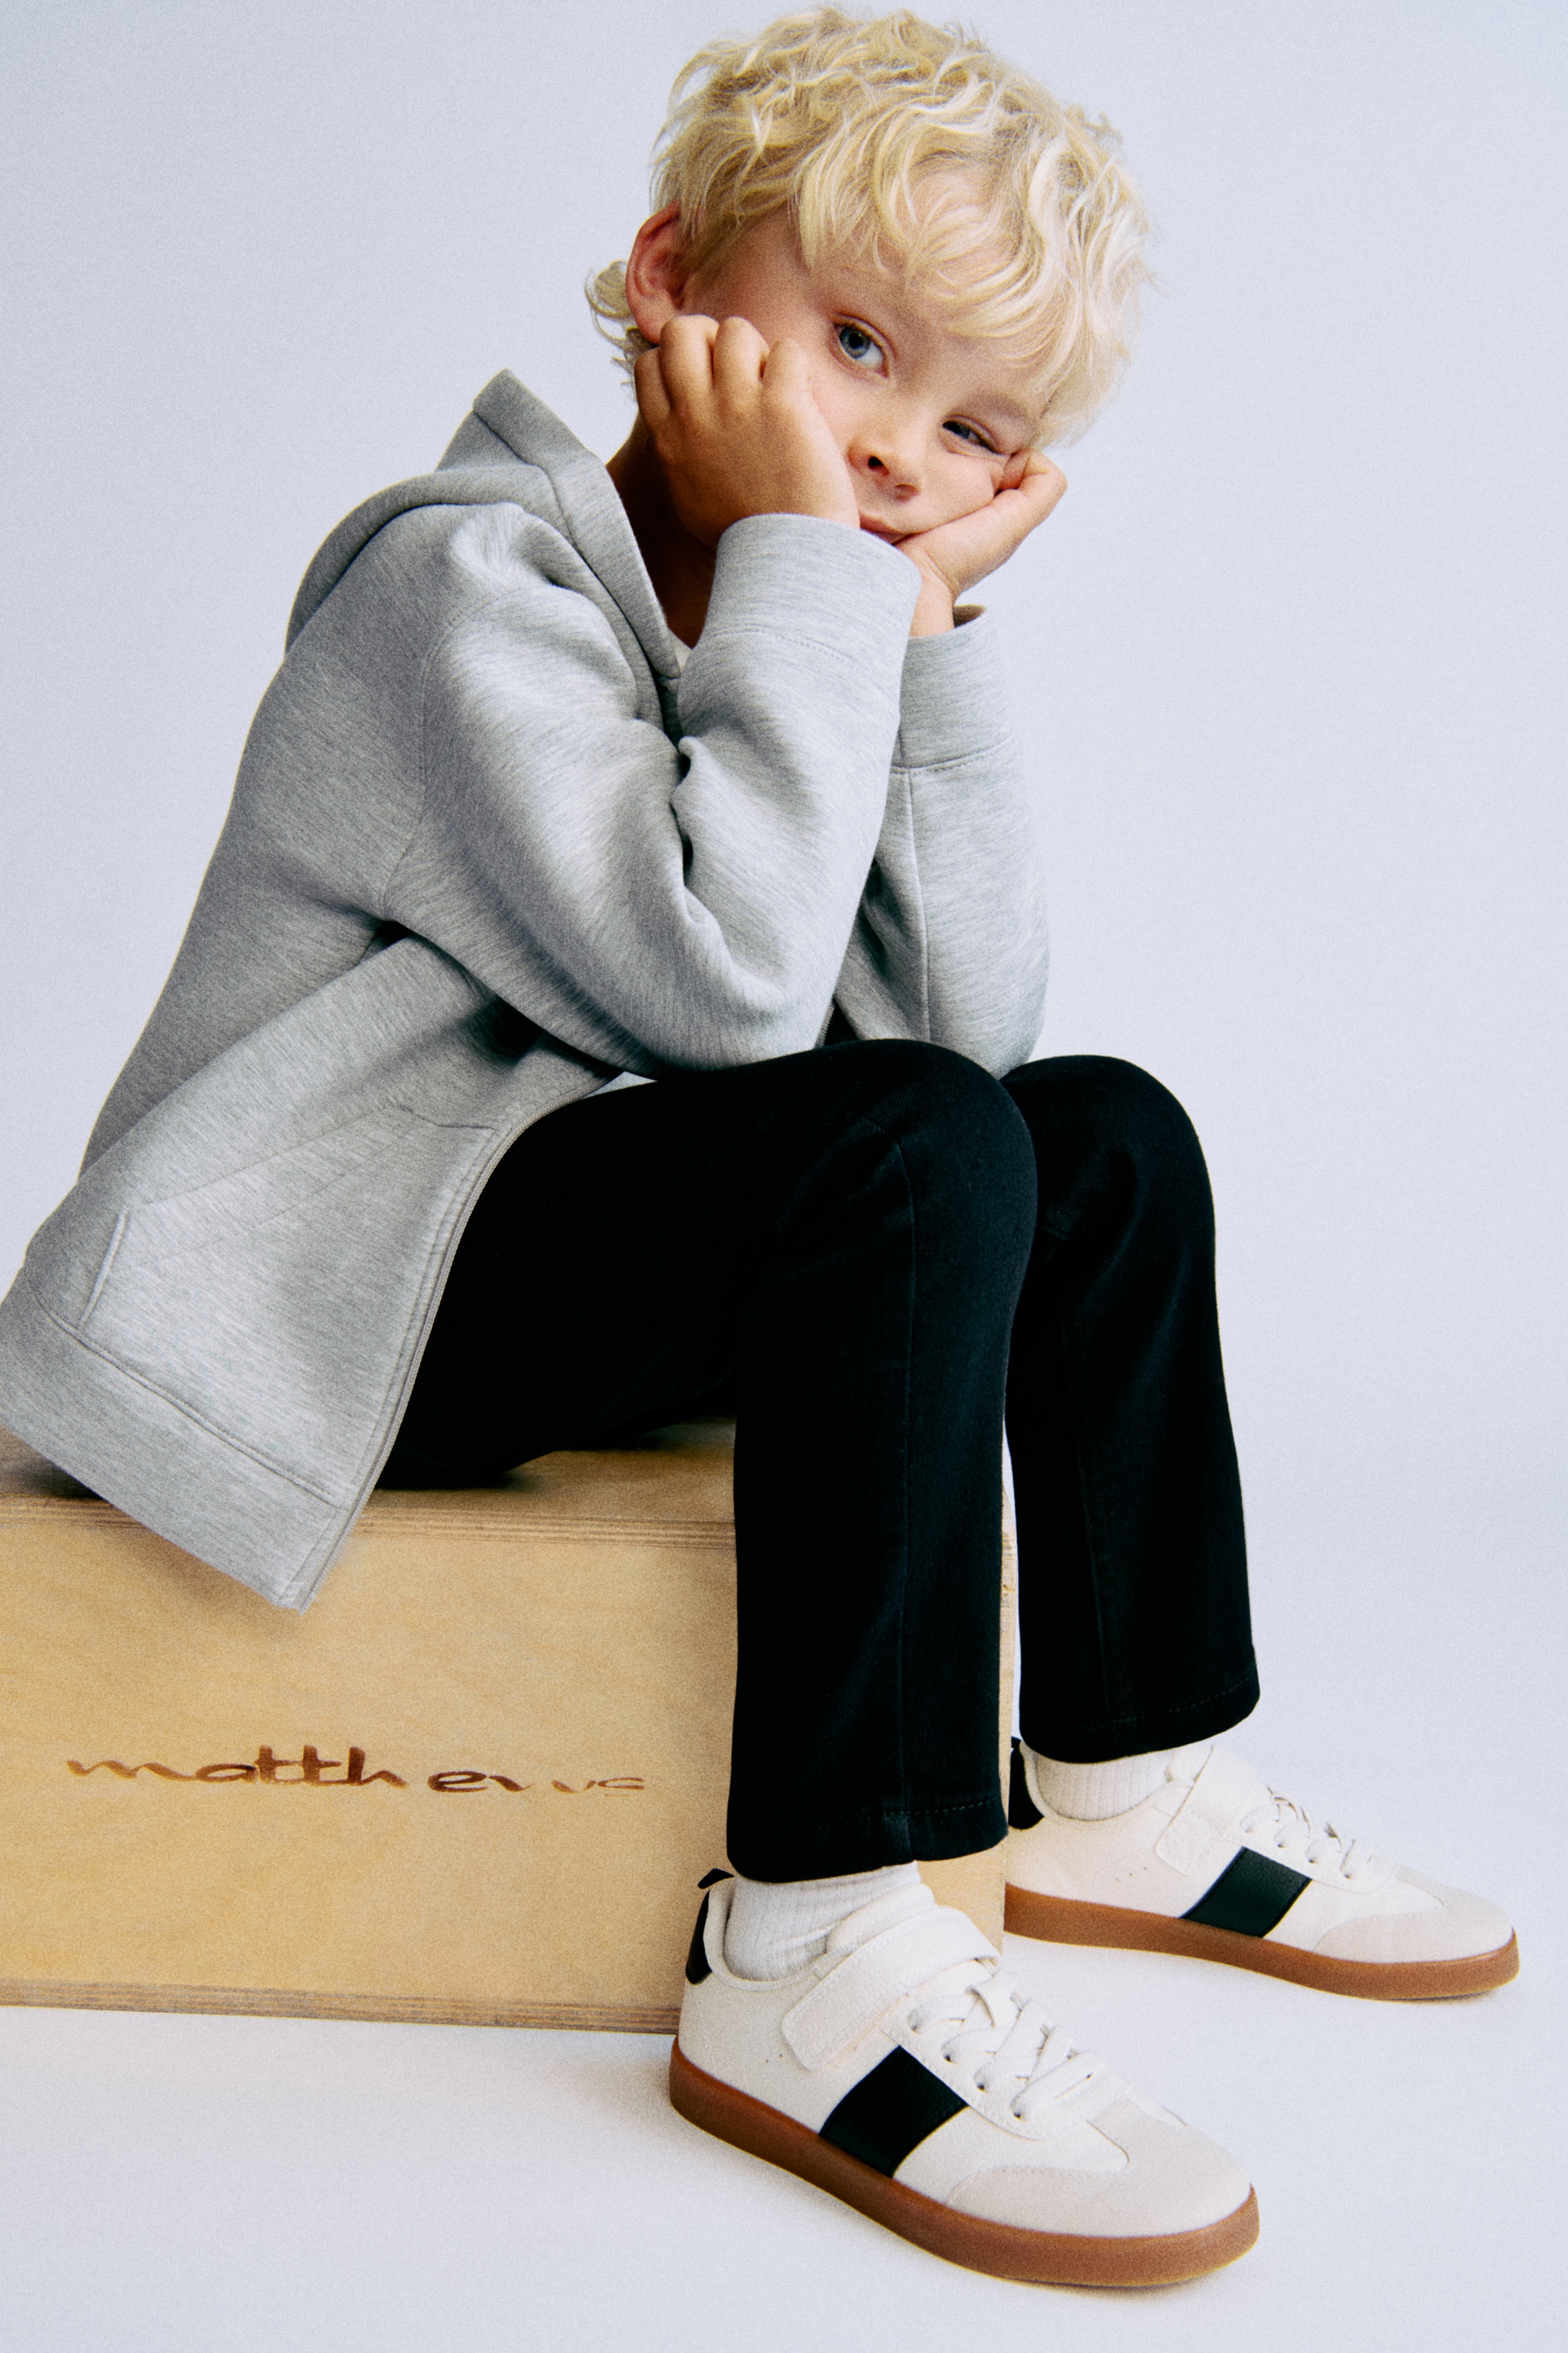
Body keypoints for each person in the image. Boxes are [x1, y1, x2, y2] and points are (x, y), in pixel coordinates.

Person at [0, 5, 1515, 2291]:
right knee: (906, 1147)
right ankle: (808, 1943)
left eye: (975, 424)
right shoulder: (462, 589)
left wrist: (926, 639)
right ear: (674, 284)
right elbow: (720, 991)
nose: (895, 446)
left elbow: (954, 1051)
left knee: (1095, 1136)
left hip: (493, 1239)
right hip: (305, 1300)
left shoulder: (796, 621)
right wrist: (830, 582)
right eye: (859, 345)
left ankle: (1124, 1779)